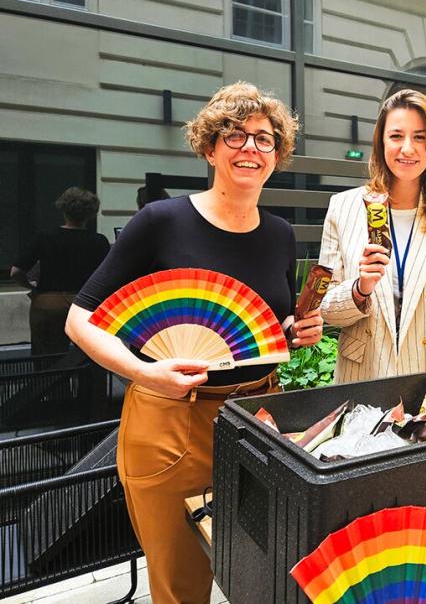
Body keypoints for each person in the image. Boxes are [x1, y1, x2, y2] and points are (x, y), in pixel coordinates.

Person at [65, 82, 324, 604]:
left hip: (255, 419)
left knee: (259, 572)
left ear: (278, 155)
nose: (251, 148)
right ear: (210, 147)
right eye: (235, 136)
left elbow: (270, 329)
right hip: (170, 420)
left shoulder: (279, 234)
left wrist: (297, 334)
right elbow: (79, 320)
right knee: (182, 585)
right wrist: (143, 373)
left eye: (264, 139)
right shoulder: (161, 221)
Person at [318, 89, 426, 383]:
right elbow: (327, 310)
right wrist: (360, 289)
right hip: (366, 375)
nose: (407, 148)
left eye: (419, 137)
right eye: (396, 136)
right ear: (381, 142)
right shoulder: (343, 207)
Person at [11, 187, 110, 356]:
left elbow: (16, 272)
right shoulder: (99, 241)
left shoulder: (45, 237)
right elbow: (108, 276)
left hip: (49, 302)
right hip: (86, 304)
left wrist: (31, 285)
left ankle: (52, 383)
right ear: (91, 213)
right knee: (91, 359)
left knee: (48, 361)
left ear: (63, 209)